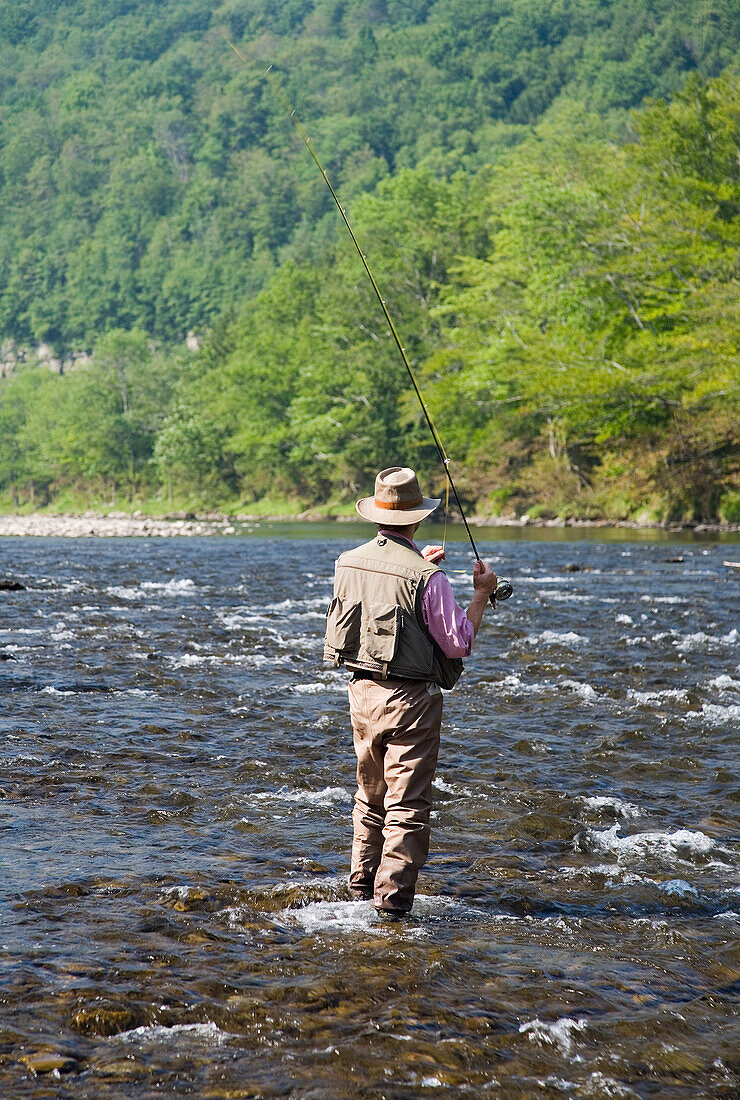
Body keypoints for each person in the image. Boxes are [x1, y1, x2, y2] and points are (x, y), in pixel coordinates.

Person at [324, 466, 498, 918]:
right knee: (407, 805)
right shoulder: (428, 578)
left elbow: (384, 593)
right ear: (416, 518)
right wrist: (480, 595)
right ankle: (392, 907)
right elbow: (458, 642)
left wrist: (423, 566)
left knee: (369, 796)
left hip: (360, 694)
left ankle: (359, 890)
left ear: (378, 514)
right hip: (408, 702)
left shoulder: (347, 561)